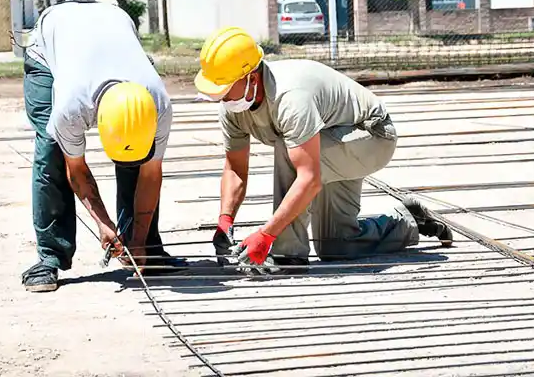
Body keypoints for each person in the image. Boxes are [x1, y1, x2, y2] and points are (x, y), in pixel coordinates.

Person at [194, 26, 452, 273]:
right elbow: (235, 169)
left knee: (289, 149)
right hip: (331, 141)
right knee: (338, 245)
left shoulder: (290, 98)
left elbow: (309, 177)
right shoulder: (233, 107)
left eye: (224, 89)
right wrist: (225, 221)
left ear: (250, 77)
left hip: (372, 136)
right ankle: (408, 221)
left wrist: (266, 236)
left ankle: (287, 255)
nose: (221, 98)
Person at [20, 0, 186, 293]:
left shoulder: (157, 103)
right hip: (52, 41)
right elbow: (77, 169)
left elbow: (150, 174)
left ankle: (143, 247)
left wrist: (137, 238)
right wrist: (104, 223)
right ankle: (50, 257)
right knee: (51, 149)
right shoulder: (71, 107)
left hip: (112, 23)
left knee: (140, 156)